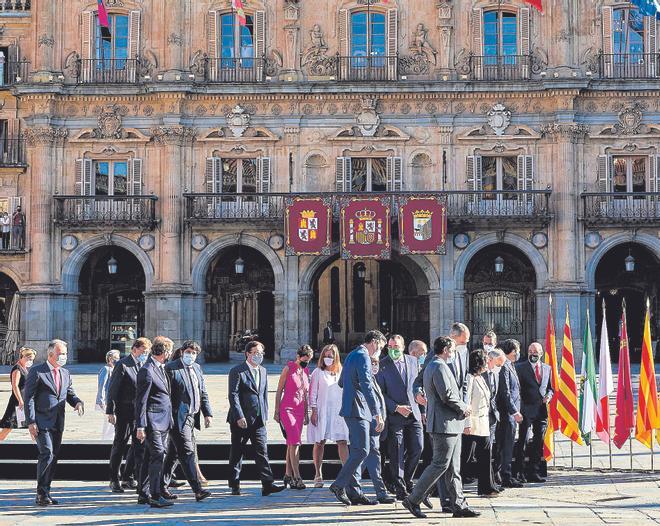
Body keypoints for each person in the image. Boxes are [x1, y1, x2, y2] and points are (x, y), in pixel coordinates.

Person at [401, 336, 479, 519]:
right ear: (445, 350)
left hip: (452, 424)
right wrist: (464, 408)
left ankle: (458, 504)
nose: (453, 353)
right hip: (444, 424)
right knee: (439, 464)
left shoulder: (438, 365)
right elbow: (448, 396)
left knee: (453, 468)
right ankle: (413, 499)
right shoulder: (438, 366)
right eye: (451, 350)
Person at [329, 330, 387, 506]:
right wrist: (377, 413)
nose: (380, 351)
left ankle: (355, 492)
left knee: (359, 450)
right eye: (381, 347)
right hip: (358, 409)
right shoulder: (363, 356)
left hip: (353, 408)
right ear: (375, 342)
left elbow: (341, 382)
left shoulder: (352, 354)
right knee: (362, 450)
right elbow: (367, 385)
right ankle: (339, 485)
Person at [23, 340, 84, 506]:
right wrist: (31, 421)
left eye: (65, 353)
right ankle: (41, 493)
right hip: (41, 421)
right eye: (60, 354)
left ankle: (46, 491)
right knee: (47, 453)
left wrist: (77, 402)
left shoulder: (65, 372)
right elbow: (29, 398)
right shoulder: (37, 372)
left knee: (53, 456)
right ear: (50, 355)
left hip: (58, 421)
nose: (64, 357)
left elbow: (69, 393)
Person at [227, 341, 283, 497]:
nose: (258, 356)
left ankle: (267, 483)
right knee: (237, 452)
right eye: (255, 353)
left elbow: (263, 395)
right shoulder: (237, 371)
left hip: (258, 419)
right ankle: (234, 484)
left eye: (261, 353)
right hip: (241, 419)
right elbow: (233, 395)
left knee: (262, 451)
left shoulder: (264, 371)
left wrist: (265, 414)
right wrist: (239, 415)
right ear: (248, 354)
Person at [162, 340, 212, 502]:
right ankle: (197, 489)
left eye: (194, 353)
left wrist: (207, 413)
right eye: (188, 352)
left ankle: (160, 486)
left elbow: (202, 392)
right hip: (177, 418)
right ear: (182, 352)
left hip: (192, 416)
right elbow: (165, 395)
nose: (191, 355)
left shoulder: (197, 368)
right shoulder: (171, 368)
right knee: (187, 452)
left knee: (173, 453)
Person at [376, 335, 424, 501]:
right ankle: (400, 487)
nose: (392, 349)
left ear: (403, 347)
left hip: (414, 414)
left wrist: (422, 409)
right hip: (395, 416)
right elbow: (380, 393)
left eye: (396, 346)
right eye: (390, 346)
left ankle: (407, 479)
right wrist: (396, 407)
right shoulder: (382, 366)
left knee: (417, 448)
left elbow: (418, 385)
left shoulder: (413, 361)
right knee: (396, 452)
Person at [106, 337, 152, 493]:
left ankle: (130, 477)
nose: (145, 354)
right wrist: (110, 411)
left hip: (139, 414)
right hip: (124, 412)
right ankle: (114, 479)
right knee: (120, 444)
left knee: (139, 446)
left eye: (147, 352)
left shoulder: (144, 364)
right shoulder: (123, 365)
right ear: (134, 349)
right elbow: (113, 389)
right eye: (143, 351)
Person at [135, 336, 175, 508]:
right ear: (164, 352)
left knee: (150, 457)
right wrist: (140, 425)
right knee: (158, 456)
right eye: (170, 351)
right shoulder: (147, 370)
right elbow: (141, 401)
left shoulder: (160, 368)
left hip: (164, 421)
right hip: (153, 422)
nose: (171, 354)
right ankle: (155, 495)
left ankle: (143, 494)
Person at [307, 344, 349, 488]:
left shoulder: (342, 372)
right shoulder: (318, 372)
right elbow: (312, 393)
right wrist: (313, 410)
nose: (327, 358)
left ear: (336, 357)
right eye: (325, 356)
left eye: (330, 356)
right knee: (320, 442)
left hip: (338, 412)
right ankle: (318, 474)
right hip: (322, 410)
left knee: (342, 441)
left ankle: (347, 474)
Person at [514, 342, 554, 483]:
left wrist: (549, 396)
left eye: (535, 351)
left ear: (541, 353)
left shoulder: (546, 368)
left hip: (541, 412)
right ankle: (519, 472)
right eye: (530, 351)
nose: (532, 353)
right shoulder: (520, 368)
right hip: (525, 410)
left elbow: (550, 388)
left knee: (538, 442)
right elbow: (516, 389)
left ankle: (534, 471)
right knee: (523, 441)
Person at [275, 344, 313, 490]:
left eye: (309, 360)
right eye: (304, 359)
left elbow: (305, 395)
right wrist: (276, 411)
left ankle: (287, 474)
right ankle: (297, 476)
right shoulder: (288, 369)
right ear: (298, 356)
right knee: (295, 442)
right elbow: (279, 391)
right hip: (287, 409)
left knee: (291, 442)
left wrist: (306, 413)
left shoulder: (306, 371)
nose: (306, 362)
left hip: (299, 410)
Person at [463, 349, 499, 497]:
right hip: (472, 423)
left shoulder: (480, 378)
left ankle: (487, 487)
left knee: (485, 455)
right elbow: (466, 401)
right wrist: (466, 423)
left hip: (483, 423)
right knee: (464, 456)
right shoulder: (470, 378)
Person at [496, 339, 524, 488]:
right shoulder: (505, 367)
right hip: (507, 414)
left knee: (507, 445)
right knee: (506, 446)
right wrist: (514, 411)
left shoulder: (510, 365)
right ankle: (505, 476)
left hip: (511, 413)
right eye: (517, 350)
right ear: (512, 351)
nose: (518, 353)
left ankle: (503, 474)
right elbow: (505, 392)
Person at [0, 347, 36, 440]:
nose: (30, 361)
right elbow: (15, 386)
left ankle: (39, 448)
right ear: (22, 357)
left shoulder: (24, 368)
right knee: (9, 427)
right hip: (18, 402)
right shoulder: (17, 369)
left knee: (32, 425)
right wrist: (20, 401)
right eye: (29, 359)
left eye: (32, 359)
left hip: (24, 401)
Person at [485, 348, 506, 486]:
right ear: (490, 361)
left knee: (491, 449)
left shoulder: (496, 375)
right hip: (482, 417)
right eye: (499, 364)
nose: (500, 368)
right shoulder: (481, 375)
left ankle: (491, 479)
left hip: (493, 416)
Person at [96, 350, 120, 440]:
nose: (118, 360)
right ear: (110, 359)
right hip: (106, 401)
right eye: (116, 358)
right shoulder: (106, 369)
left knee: (112, 423)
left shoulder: (114, 369)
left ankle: (110, 439)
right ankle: (106, 440)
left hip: (112, 401)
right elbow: (102, 385)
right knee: (109, 423)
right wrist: (101, 401)